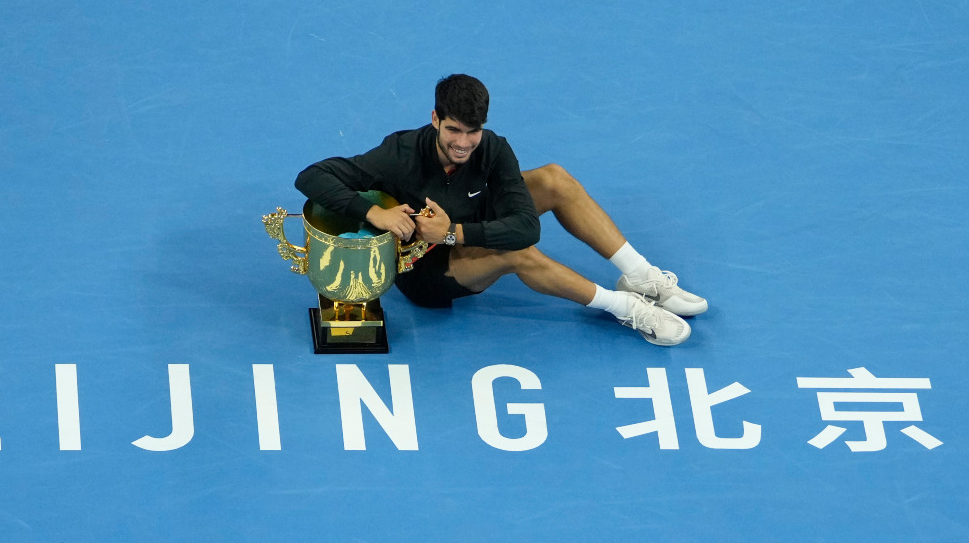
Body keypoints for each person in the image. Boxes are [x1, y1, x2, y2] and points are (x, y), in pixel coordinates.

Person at [294, 74, 707, 346]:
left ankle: (640, 277)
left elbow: (526, 226)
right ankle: (628, 309)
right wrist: (375, 215)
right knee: (517, 255)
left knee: (553, 180)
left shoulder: (492, 148)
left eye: (472, 132)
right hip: (425, 272)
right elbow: (312, 176)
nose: (463, 142)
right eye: (453, 129)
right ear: (435, 119)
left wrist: (453, 231)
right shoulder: (398, 154)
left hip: (458, 231)